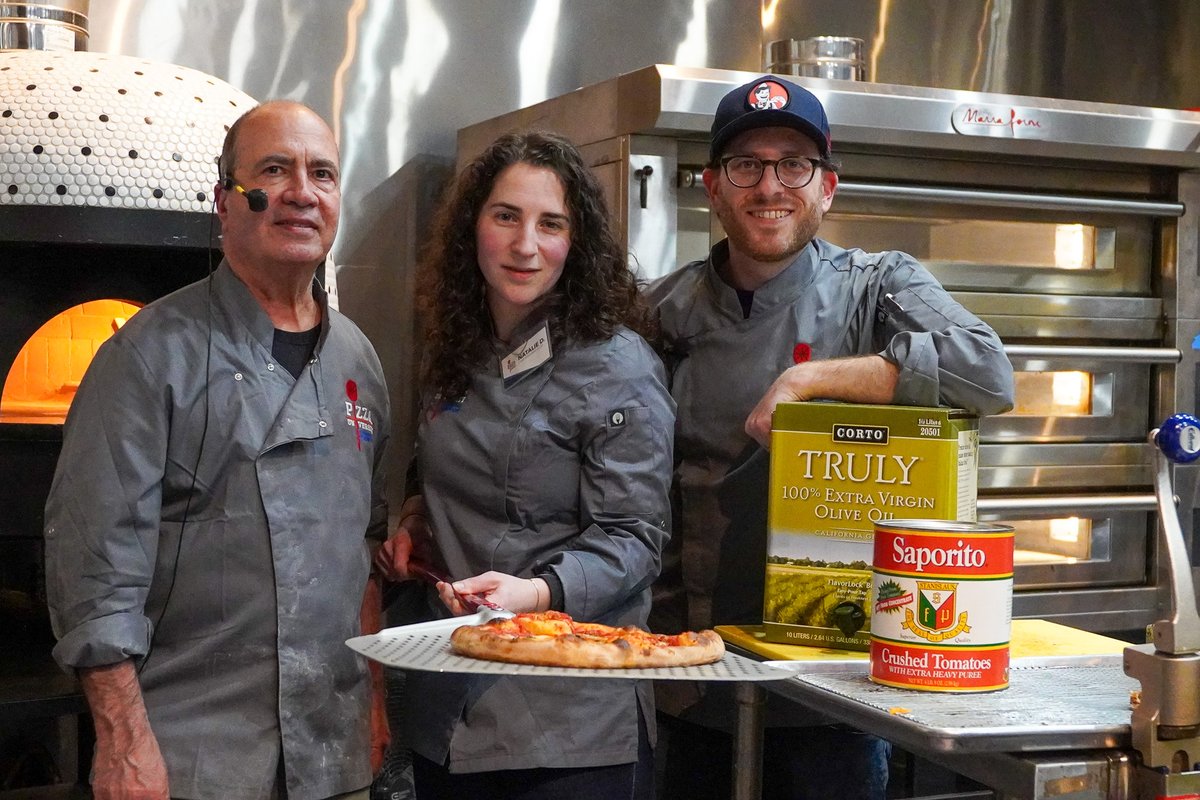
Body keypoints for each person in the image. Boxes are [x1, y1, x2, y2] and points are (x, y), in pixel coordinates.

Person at [646, 75, 1015, 799]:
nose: (771, 186)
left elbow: (989, 374)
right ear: (713, 190)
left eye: (794, 165)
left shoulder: (878, 287)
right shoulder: (658, 309)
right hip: (691, 679)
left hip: (836, 687)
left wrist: (816, 382)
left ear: (828, 188)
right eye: (747, 166)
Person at [44, 100, 390, 800]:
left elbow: (364, 548)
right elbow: (95, 567)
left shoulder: (359, 360)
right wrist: (122, 740)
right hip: (193, 757)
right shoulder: (147, 356)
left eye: (321, 174)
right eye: (274, 169)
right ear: (224, 202)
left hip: (334, 751)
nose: (301, 191)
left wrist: (375, 703)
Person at [373, 130, 674, 800]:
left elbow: (634, 542)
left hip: (567, 722)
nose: (525, 245)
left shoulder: (618, 365)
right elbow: (441, 474)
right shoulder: (454, 346)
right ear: (472, 227)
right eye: (505, 216)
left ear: (578, 243)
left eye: (551, 224)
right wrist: (417, 524)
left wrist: (534, 593)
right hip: (447, 705)